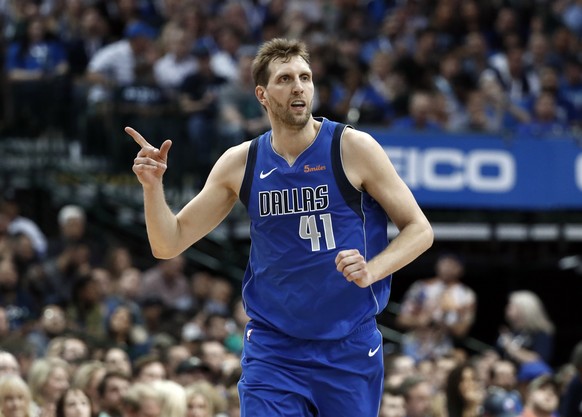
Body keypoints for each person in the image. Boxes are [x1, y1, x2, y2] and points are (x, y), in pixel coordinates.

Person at [125, 37, 433, 417]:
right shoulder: (241, 162)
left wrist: (374, 269)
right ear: (262, 93)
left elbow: (420, 229)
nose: (299, 86)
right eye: (285, 79)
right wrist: (153, 189)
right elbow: (167, 244)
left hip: (348, 344)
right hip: (274, 348)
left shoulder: (353, 147)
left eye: (305, 77)